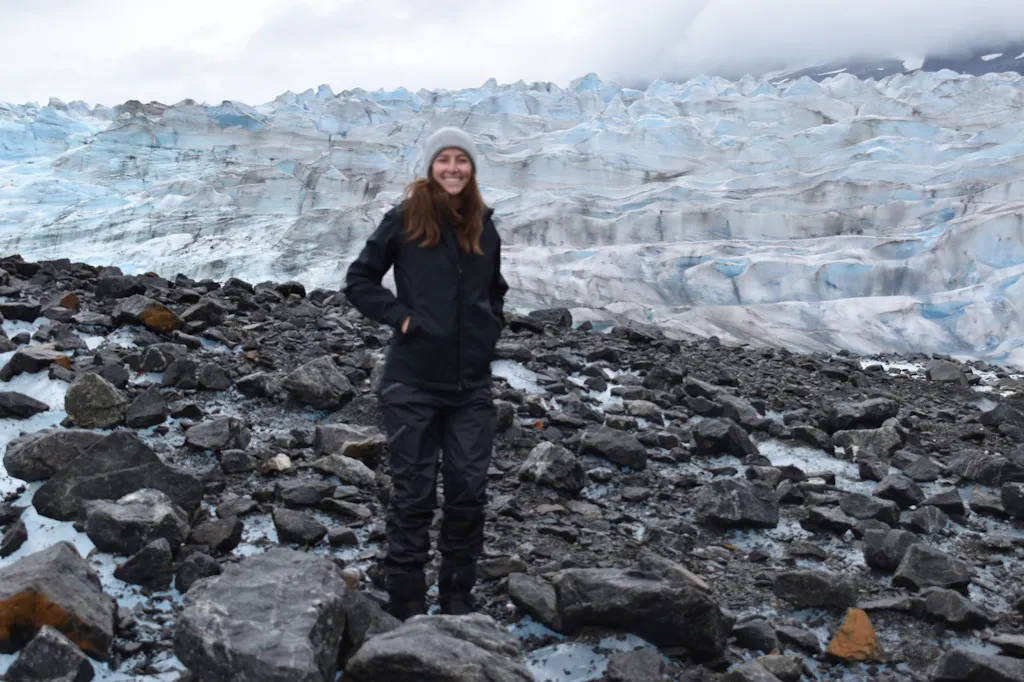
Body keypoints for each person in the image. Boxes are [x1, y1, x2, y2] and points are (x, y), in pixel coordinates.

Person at [343, 127, 509, 620]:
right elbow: (359, 279)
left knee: (468, 494)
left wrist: (488, 328)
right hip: (411, 382)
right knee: (413, 497)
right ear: (431, 167)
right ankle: (407, 604)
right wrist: (402, 318)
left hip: (470, 385)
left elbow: (494, 289)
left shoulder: (483, 224)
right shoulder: (405, 219)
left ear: (471, 168)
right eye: (444, 159)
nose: (453, 168)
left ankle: (457, 598)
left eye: (462, 160)